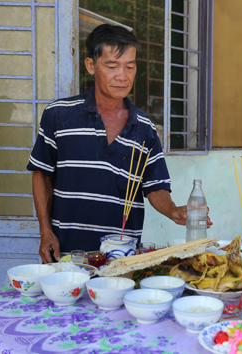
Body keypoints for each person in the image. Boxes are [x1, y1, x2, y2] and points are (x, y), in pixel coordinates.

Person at [27, 24, 212, 263]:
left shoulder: (144, 128)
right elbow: (42, 174)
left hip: (122, 259)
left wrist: (172, 210)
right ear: (91, 66)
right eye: (112, 66)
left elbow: (155, 186)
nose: (122, 76)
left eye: (130, 67)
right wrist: (45, 231)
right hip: (67, 254)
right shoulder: (59, 115)